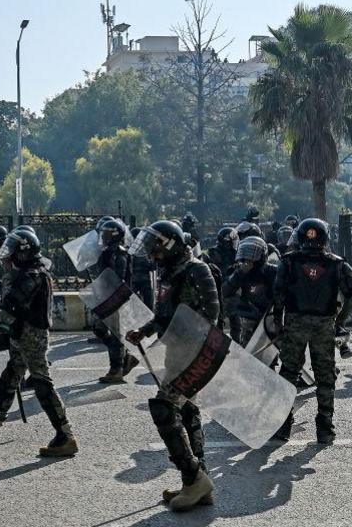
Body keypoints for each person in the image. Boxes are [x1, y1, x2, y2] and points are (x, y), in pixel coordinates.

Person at [126, 220, 219, 512]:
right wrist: (145, 330)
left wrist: (192, 344)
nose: (152, 253)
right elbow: (164, 314)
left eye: (155, 246)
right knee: (188, 412)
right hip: (173, 353)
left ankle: (194, 478)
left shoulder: (196, 270)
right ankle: (197, 484)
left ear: (170, 245)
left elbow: (211, 314)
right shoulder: (170, 274)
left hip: (191, 356)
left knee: (163, 408)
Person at [0, 228, 78, 457]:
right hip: (21, 333)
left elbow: (13, 302)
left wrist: (6, 281)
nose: (7, 258)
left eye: (11, 253)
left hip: (31, 335)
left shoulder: (32, 276)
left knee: (42, 383)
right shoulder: (26, 272)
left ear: (23, 253)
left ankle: (66, 435)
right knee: (8, 380)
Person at [272, 219, 352, 445]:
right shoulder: (338, 264)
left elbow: (278, 294)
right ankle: (325, 428)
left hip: (295, 323)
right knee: (325, 377)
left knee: (289, 373)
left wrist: (277, 321)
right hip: (324, 325)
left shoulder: (288, 262)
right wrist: (340, 322)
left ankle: (282, 426)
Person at [93, 218, 138, 384]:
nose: (102, 237)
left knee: (115, 334)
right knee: (99, 328)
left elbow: (117, 278)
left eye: (105, 234)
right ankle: (126, 358)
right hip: (106, 298)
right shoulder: (108, 251)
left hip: (116, 299)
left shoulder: (119, 252)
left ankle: (116, 369)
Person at [221, 237, 276, 346]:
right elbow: (225, 291)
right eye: (245, 255)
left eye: (251, 255)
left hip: (268, 317)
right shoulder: (238, 271)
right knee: (246, 348)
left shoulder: (272, 271)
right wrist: (240, 273)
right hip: (247, 316)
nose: (248, 259)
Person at [130, 226, 156, 309]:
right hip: (140, 281)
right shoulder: (141, 251)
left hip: (138, 281)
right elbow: (152, 266)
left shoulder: (132, 250)